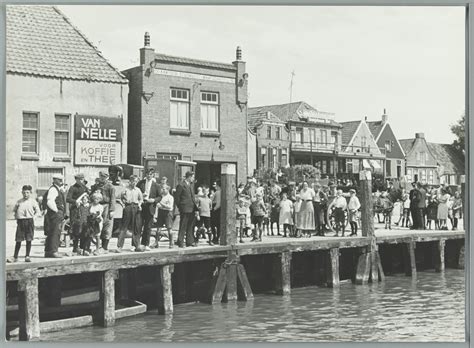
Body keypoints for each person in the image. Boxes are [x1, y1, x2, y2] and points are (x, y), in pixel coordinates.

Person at [8, 185, 41, 263]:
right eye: (24, 193)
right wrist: (16, 217)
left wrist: (34, 217)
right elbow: (14, 211)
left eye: (27, 192)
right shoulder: (19, 201)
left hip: (29, 221)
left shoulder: (33, 201)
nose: (26, 194)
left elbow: (38, 211)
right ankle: (15, 257)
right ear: (22, 193)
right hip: (21, 222)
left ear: (30, 193)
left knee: (28, 239)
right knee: (18, 240)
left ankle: (27, 256)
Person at [115, 175, 144, 253]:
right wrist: (123, 205)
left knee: (136, 227)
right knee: (124, 227)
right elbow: (118, 198)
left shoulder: (138, 190)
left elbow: (141, 199)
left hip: (136, 207)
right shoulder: (125, 190)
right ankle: (119, 246)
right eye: (133, 181)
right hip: (127, 207)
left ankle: (136, 245)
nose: (134, 183)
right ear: (130, 182)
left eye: (136, 181)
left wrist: (139, 205)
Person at [90, 171, 116, 254]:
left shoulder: (110, 187)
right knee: (97, 226)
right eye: (101, 176)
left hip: (107, 206)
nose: (102, 178)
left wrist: (112, 210)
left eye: (104, 177)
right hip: (97, 206)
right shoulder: (96, 186)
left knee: (107, 226)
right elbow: (91, 195)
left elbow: (113, 199)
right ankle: (98, 246)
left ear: (107, 177)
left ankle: (105, 247)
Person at [137, 168, 162, 250]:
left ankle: (145, 244)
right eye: (147, 174)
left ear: (153, 175)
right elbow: (136, 191)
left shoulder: (156, 185)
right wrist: (141, 195)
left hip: (150, 206)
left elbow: (160, 197)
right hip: (141, 206)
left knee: (148, 227)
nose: (149, 175)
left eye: (150, 174)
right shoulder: (141, 183)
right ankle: (136, 244)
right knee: (138, 226)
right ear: (145, 175)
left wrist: (154, 200)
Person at [66, 173, 90, 254]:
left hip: (84, 211)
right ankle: (75, 248)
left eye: (82, 179)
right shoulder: (73, 188)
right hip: (75, 211)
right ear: (76, 180)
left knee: (84, 229)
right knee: (76, 230)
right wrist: (75, 201)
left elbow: (88, 195)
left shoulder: (85, 187)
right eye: (79, 179)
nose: (81, 181)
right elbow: (68, 198)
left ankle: (83, 248)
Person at [44, 174, 66, 258]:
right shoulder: (53, 189)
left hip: (56, 213)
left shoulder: (58, 189)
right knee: (55, 232)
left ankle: (48, 251)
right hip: (55, 213)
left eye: (61, 180)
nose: (61, 181)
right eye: (59, 180)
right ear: (55, 180)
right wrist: (56, 211)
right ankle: (53, 251)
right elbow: (50, 201)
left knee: (52, 232)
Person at [175, 171, 198, 248]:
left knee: (190, 226)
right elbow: (177, 198)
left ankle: (189, 241)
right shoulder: (181, 185)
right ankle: (180, 241)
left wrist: (195, 208)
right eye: (193, 177)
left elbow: (192, 197)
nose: (193, 179)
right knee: (183, 225)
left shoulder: (191, 185)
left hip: (191, 208)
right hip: (184, 208)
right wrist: (180, 206)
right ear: (189, 177)